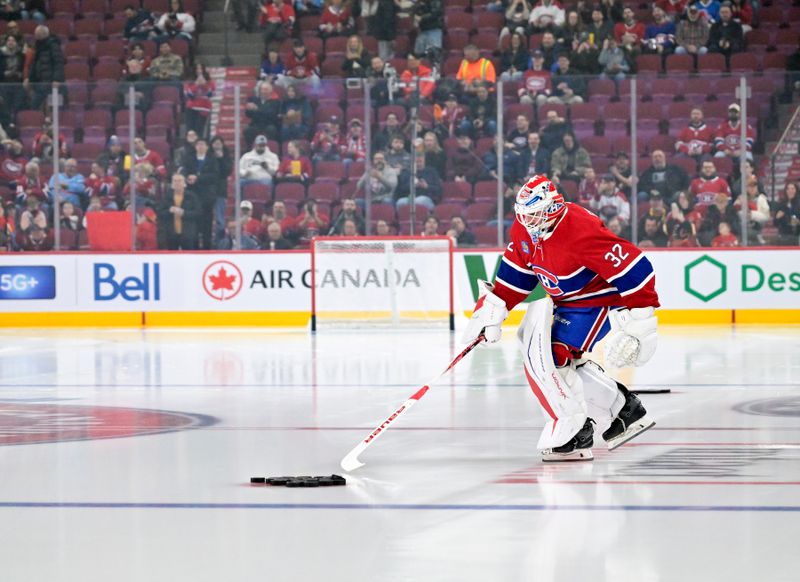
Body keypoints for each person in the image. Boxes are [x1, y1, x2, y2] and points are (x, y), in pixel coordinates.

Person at [462, 174, 658, 462]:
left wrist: (642, 323)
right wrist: (493, 311)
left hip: (597, 301)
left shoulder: (580, 230)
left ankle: (576, 430)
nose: (529, 221)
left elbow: (635, 267)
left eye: (536, 214)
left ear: (553, 208)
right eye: (524, 215)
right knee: (554, 359)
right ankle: (623, 410)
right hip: (565, 302)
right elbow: (517, 274)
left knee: (552, 357)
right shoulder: (525, 230)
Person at [25, 25, 65, 111]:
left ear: (43, 34)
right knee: (33, 106)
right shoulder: (38, 46)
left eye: (37, 34)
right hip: (40, 83)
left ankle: (52, 122)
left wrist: (57, 79)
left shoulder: (53, 45)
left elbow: (59, 62)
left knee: (54, 108)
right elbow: (35, 64)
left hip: (51, 84)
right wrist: (30, 79)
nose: (35, 36)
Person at [157, 173, 199, 249]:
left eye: (179, 181)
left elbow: (198, 213)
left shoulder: (192, 196)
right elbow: (160, 212)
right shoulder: (167, 197)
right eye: (175, 181)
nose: (177, 183)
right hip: (171, 234)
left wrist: (184, 213)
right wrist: (169, 211)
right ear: (172, 183)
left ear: (184, 183)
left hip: (187, 234)